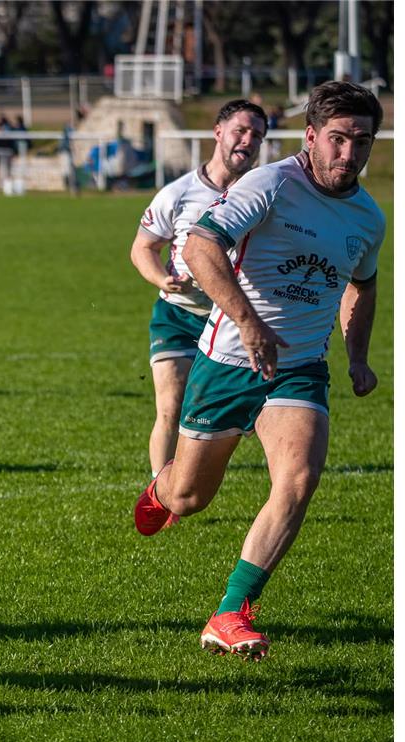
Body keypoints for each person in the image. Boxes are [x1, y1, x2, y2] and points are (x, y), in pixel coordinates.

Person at [133, 81, 385, 661]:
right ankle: (161, 487)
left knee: (298, 479)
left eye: (362, 142)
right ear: (312, 136)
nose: (349, 156)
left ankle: (231, 611)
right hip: (227, 361)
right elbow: (199, 247)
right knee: (190, 497)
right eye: (339, 140)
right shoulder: (270, 184)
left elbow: (361, 286)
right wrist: (247, 323)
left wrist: (357, 357)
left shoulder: (369, 218)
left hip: (300, 367)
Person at [130, 100, 268, 482]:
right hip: (178, 315)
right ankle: (160, 493)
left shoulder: (264, 194)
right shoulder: (178, 193)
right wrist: (162, 279)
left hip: (233, 323)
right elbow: (142, 248)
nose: (248, 140)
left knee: (250, 415)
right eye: (241, 130)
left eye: (256, 135)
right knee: (170, 408)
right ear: (218, 132)